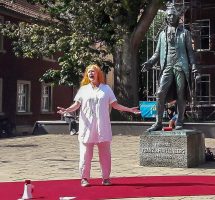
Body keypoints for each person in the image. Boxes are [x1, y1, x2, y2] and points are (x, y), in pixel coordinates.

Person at [57, 64, 140, 187]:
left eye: (93, 71)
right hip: (87, 127)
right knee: (85, 154)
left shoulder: (106, 89)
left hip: (103, 127)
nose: (91, 73)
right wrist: (67, 110)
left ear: (98, 74)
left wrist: (129, 110)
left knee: (105, 155)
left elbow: (115, 105)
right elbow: (76, 105)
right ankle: (84, 178)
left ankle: (106, 178)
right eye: (89, 71)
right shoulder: (83, 89)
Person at [141, 3, 197, 131]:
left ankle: (180, 121)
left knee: (180, 94)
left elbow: (190, 52)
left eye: (173, 15)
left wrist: (193, 66)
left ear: (177, 17)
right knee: (160, 93)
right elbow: (157, 53)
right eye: (169, 16)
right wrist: (150, 62)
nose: (171, 17)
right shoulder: (162, 34)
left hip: (181, 66)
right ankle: (158, 122)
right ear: (166, 18)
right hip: (167, 66)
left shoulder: (185, 33)